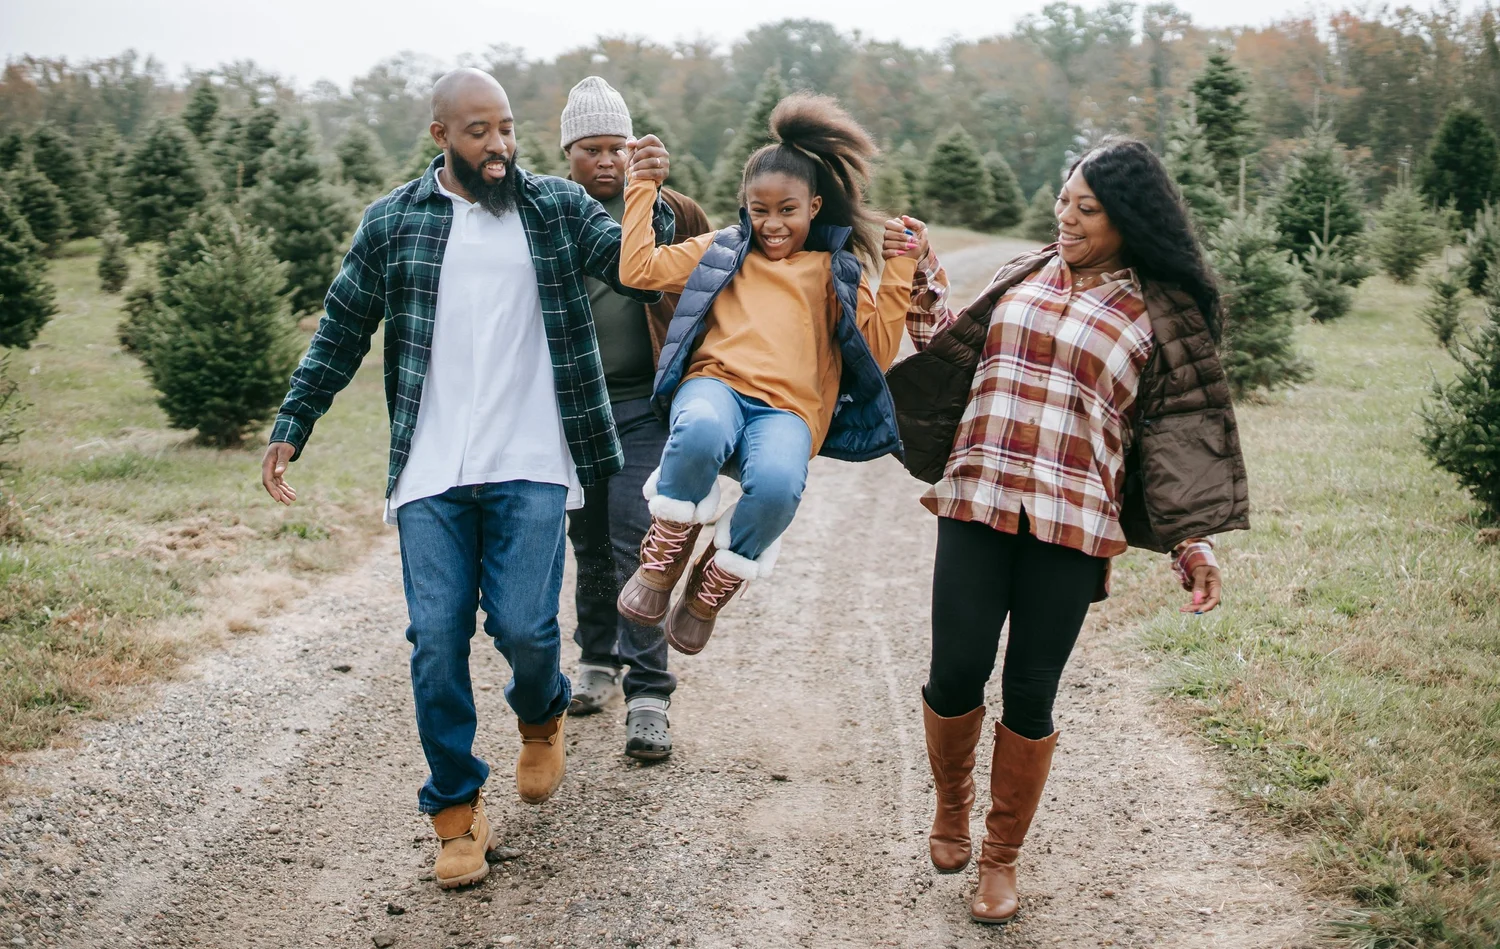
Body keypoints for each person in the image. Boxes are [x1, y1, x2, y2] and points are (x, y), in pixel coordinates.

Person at [258, 68, 676, 890]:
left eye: (508, 128)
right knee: (436, 640)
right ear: (441, 135)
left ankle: (541, 711)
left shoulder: (554, 207)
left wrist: (647, 195)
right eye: (479, 131)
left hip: (531, 458)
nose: (499, 146)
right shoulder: (393, 221)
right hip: (431, 466)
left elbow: (638, 267)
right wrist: (293, 420)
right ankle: (455, 811)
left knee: (525, 628)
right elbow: (343, 326)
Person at [886, 137, 1248, 925]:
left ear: (1128, 220)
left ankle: (1000, 858)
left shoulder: (1159, 313)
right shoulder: (1025, 272)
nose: (1067, 217)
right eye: (1064, 200)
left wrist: (1193, 542)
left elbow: (1174, 440)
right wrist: (921, 273)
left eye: (1087, 208)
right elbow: (951, 346)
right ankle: (952, 800)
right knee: (955, 671)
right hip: (979, 498)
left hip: (1073, 524)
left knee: (1030, 689)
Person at [612, 92, 920, 654]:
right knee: (700, 429)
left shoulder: (833, 271)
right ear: (745, 205)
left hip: (789, 412)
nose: (772, 224)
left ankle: (714, 581)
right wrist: (642, 188)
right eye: (760, 210)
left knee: (779, 488)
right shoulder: (722, 251)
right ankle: (665, 552)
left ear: (815, 206)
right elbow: (638, 270)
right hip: (716, 386)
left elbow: (875, 355)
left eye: (787, 210)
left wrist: (899, 269)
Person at [555, 77, 712, 760]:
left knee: (638, 541)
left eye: (617, 147)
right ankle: (596, 658)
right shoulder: (552, 213)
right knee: (587, 540)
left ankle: (649, 693)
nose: (607, 161)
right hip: (573, 410)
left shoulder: (672, 210)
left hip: (646, 408)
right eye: (591, 149)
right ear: (568, 154)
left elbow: (716, 288)